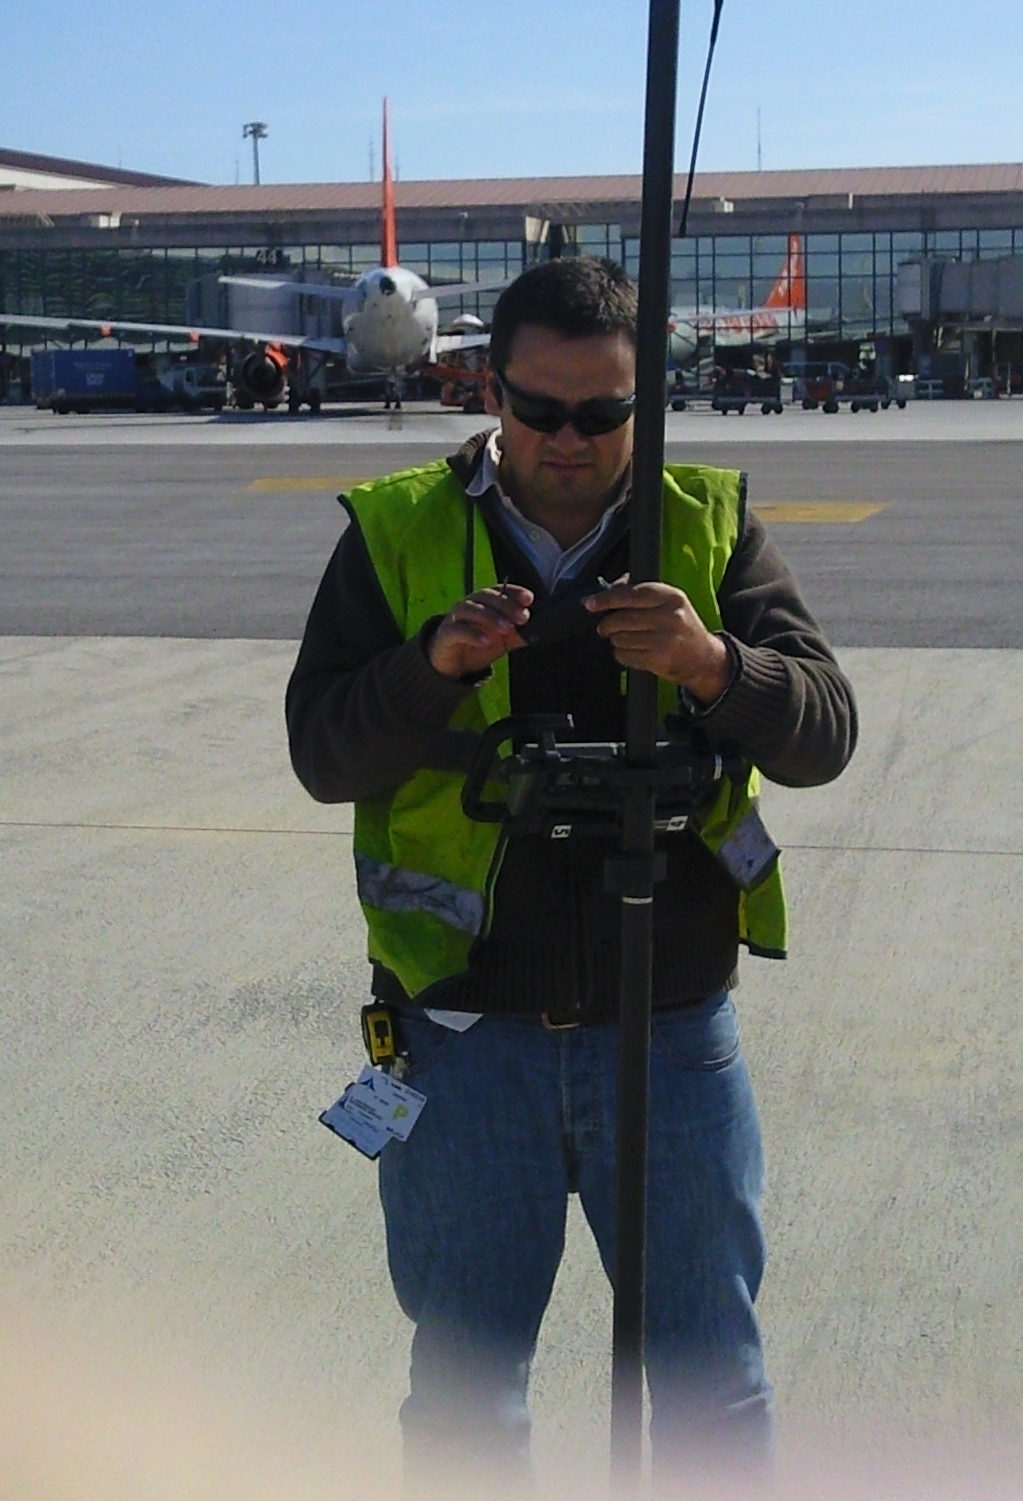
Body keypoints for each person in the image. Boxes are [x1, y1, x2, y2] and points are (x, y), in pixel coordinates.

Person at [287, 257, 857, 1481]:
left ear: (642, 404)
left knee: (713, 1382)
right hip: (463, 1034)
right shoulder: (400, 533)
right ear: (490, 390)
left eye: (603, 414)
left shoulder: (705, 523)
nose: (567, 439)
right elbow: (320, 754)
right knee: (464, 1385)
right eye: (538, 409)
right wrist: (426, 668)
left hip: (670, 1029)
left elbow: (823, 733)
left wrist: (714, 667)